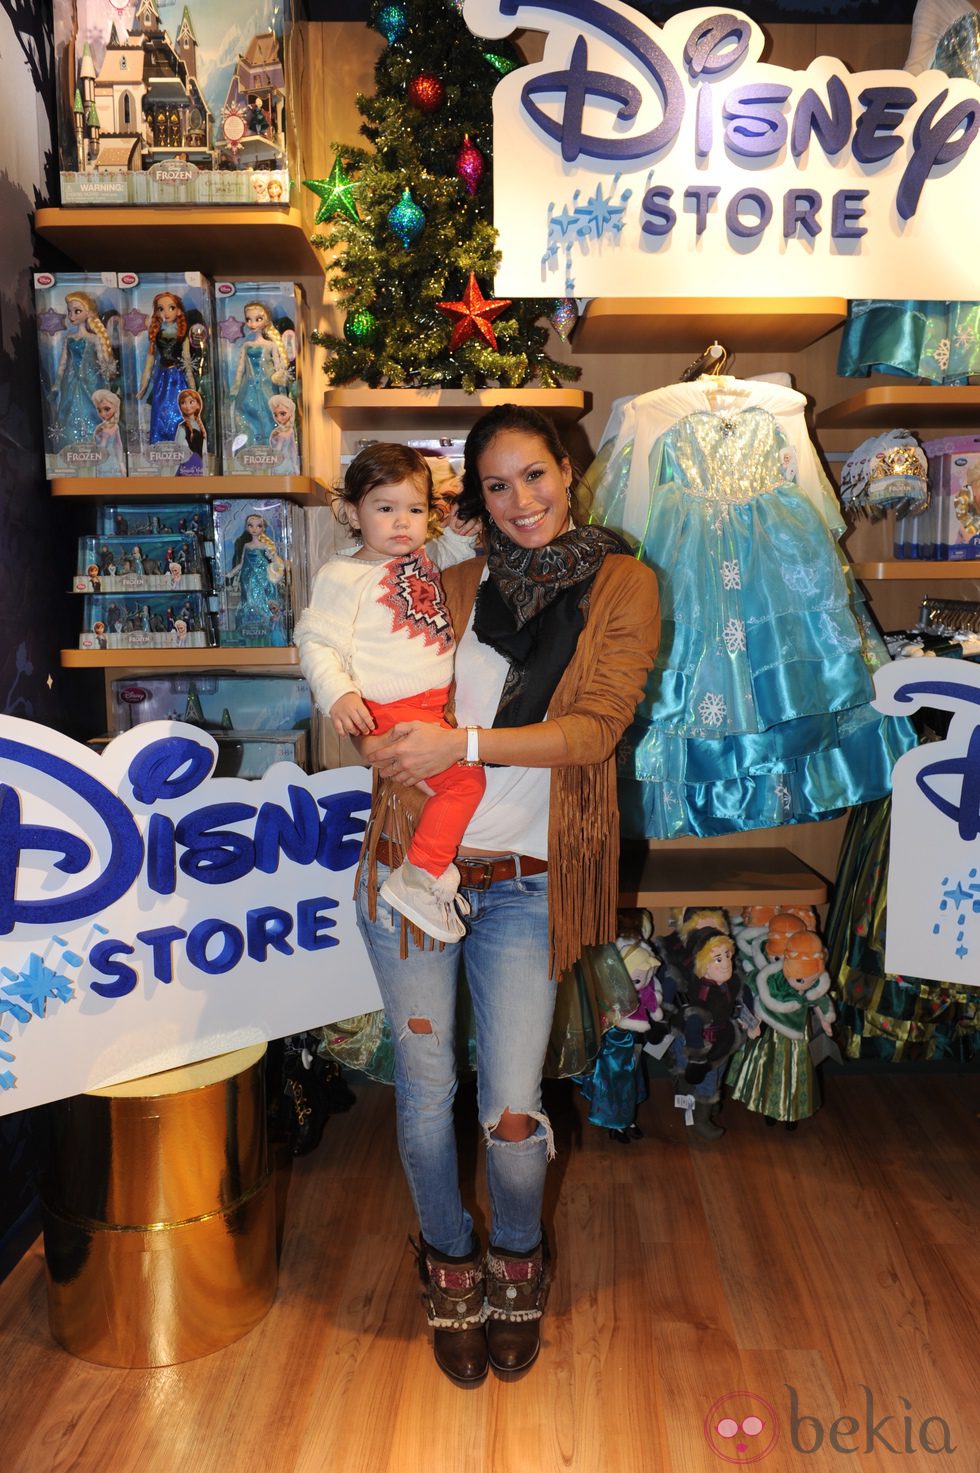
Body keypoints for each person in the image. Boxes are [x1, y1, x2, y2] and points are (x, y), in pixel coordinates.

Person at [349, 404, 660, 1385]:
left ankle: (516, 1255)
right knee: (423, 1095)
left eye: (534, 475)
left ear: (569, 471)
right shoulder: (448, 585)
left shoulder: (623, 584)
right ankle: (448, 1263)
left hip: (525, 883)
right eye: (496, 484)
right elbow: (379, 682)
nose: (520, 499)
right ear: (474, 499)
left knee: (513, 1109)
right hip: (414, 874)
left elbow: (594, 728)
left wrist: (464, 745)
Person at [294, 443, 483, 942]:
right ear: (353, 512)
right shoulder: (343, 575)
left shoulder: (424, 555)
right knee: (465, 784)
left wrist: (463, 532)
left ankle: (428, 870)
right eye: (385, 508)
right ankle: (420, 877)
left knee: (451, 786)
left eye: (415, 510)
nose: (402, 522)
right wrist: (338, 693)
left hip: (428, 710)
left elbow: (459, 555)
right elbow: (315, 639)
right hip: (391, 711)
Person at [137, 292, 195, 444]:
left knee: (180, 409)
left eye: (171, 308)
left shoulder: (182, 335)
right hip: (162, 378)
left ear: (179, 311)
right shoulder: (156, 334)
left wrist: (193, 388)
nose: (166, 313)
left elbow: (187, 362)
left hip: (178, 378)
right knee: (159, 409)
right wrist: (144, 385)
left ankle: (182, 442)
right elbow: (150, 361)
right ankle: (159, 443)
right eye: (161, 309)